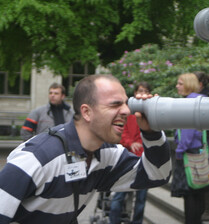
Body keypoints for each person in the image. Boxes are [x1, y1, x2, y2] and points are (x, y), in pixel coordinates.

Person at [0, 74, 171, 224]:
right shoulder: (36, 158)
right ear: (87, 112)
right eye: (115, 104)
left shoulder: (107, 154)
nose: (127, 111)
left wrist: (151, 131)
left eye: (126, 104)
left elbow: (158, 174)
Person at [109, 81, 151, 224]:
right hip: (127, 157)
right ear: (134, 94)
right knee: (119, 195)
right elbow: (122, 132)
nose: (142, 94)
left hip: (144, 158)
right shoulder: (128, 111)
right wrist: (130, 143)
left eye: (145, 91)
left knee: (141, 197)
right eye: (140, 91)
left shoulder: (151, 112)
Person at [171, 73, 209, 224]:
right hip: (199, 153)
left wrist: (179, 151)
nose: (177, 86)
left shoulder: (188, 103)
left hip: (188, 156)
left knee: (191, 197)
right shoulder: (200, 100)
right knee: (198, 194)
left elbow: (187, 132)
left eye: (180, 83)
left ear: (188, 84)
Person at [194, 71, 209, 222]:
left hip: (207, 141)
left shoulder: (207, 99)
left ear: (200, 84)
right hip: (206, 141)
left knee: (205, 171)